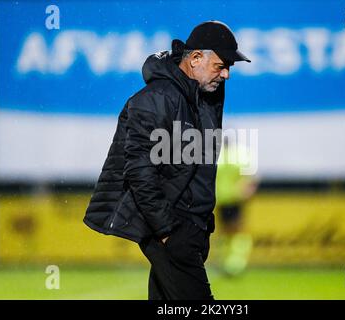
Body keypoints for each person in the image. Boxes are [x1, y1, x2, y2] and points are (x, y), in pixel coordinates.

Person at [83, 21, 250, 300]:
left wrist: (201, 225)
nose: (227, 74)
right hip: (172, 228)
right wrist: (166, 231)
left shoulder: (204, 95)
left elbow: (199, 167)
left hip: (191, 228)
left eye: (229, 67)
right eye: (221, 66)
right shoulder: (155, 98)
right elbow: (139, 171)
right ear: (195, 58)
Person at [215, 138, 258, 276]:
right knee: (232, 231)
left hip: (226, 198)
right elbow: (250, 178)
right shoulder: (239, 156)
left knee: (230, 231)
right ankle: (232, 262)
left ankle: (234, 262)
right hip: (231, 198)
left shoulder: (218, 157)